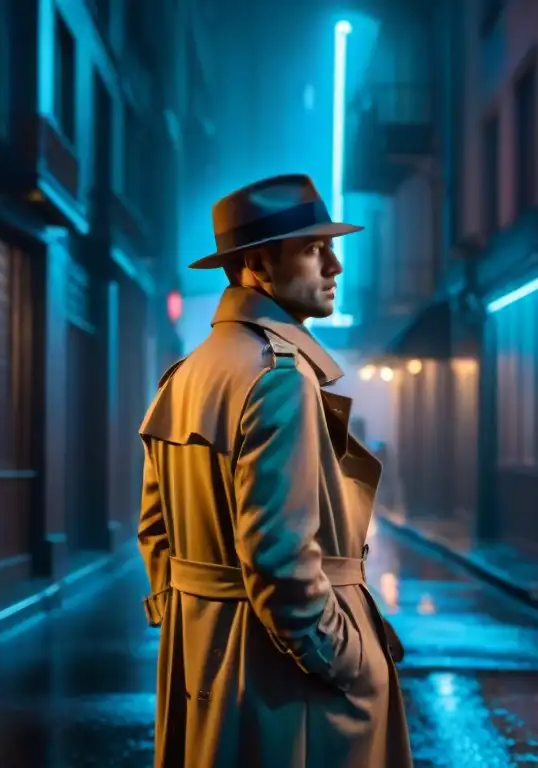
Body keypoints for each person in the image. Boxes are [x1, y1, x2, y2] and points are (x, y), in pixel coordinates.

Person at [137, 174, 413, 768]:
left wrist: (192, 625)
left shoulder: (185, 375)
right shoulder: (278, 378)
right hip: (286, 688)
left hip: (205, 662)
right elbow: (281, 564)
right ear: (258, 264)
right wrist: (351, 661)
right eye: (314, 249)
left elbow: (156, 535)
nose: (334, 265)